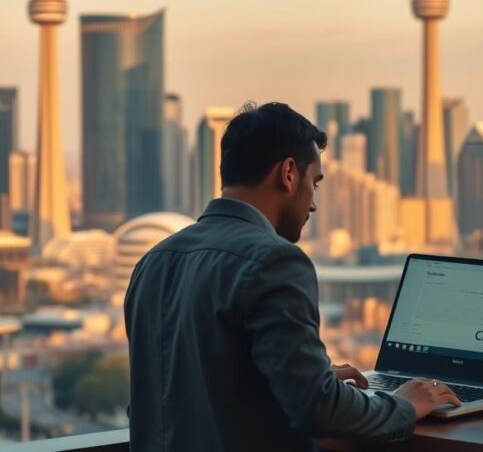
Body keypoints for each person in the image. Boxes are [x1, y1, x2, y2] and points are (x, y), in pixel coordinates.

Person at [125, 102, 460, 452]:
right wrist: (403, 405)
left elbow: (170, 396)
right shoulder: (275, 261)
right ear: (288, 173)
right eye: (315, 183)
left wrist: (300, 378)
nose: (314, 203)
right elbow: (317, 409)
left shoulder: (153, 262)